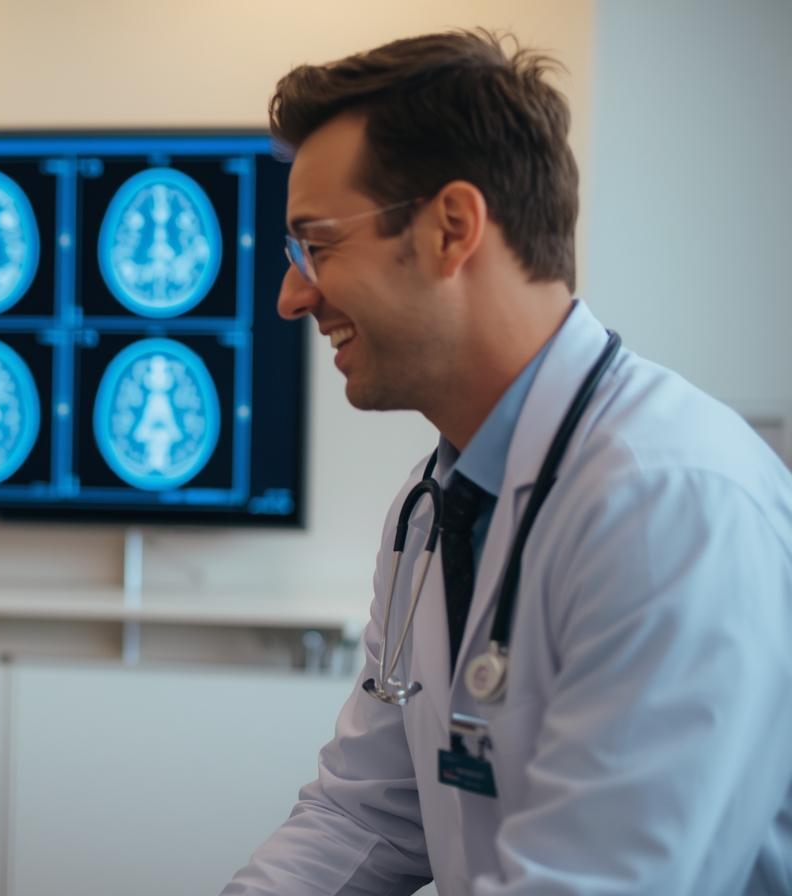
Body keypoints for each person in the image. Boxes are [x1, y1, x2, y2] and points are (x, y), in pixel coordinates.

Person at [223, 30, 792, 895]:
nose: (291, 296)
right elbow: (364, 816)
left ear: (452, 229)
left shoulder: (669, 503)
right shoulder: (433, 507)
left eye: (319, 246)